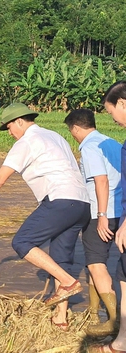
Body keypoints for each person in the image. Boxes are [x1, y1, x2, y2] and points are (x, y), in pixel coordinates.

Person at [0, 102, 90, 331]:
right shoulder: (54, 136)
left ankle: (68, 282)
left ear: (20, 121)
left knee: (22, 241)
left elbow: (0, 178)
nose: (10, 134)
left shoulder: (26, 142)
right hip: (82, 204)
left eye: (9, 128)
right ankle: (61, 319)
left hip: (60, 199)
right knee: (61, 259)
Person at [64, 109, 122, 337]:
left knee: (96, 264)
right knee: (93, 261)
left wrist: (101, 215)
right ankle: (92, 311)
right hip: (121, 212)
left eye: (72, 132)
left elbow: (101, 181)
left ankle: (115, 322)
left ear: (76, 128)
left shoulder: (89, 147)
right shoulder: (112, 143)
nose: (73, 136)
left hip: (103, 212)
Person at [90, 81, 126, 353]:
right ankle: (121, 342)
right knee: (123, 275)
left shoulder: (93, 147)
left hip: (116, 216)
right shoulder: (119, 143)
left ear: (122, 103)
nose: (112, 119)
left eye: (111, 111)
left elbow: (101, 181)